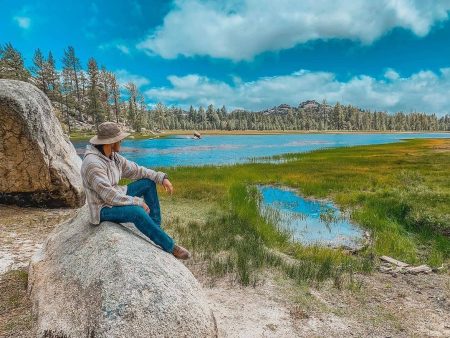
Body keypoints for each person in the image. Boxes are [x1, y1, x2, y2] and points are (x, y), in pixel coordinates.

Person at [80, 121, 191, 260]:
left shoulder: (113, 157)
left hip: (116, 196)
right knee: (136, 211)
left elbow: (137, 170)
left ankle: (155, 229)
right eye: (119, 139)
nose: (122, 141)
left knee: (148, 183)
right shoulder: (92, 164)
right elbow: (109, 196)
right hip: (102, 207)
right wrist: (136, 201)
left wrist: (161, 178)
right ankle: (171, 246)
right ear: (110, 142)